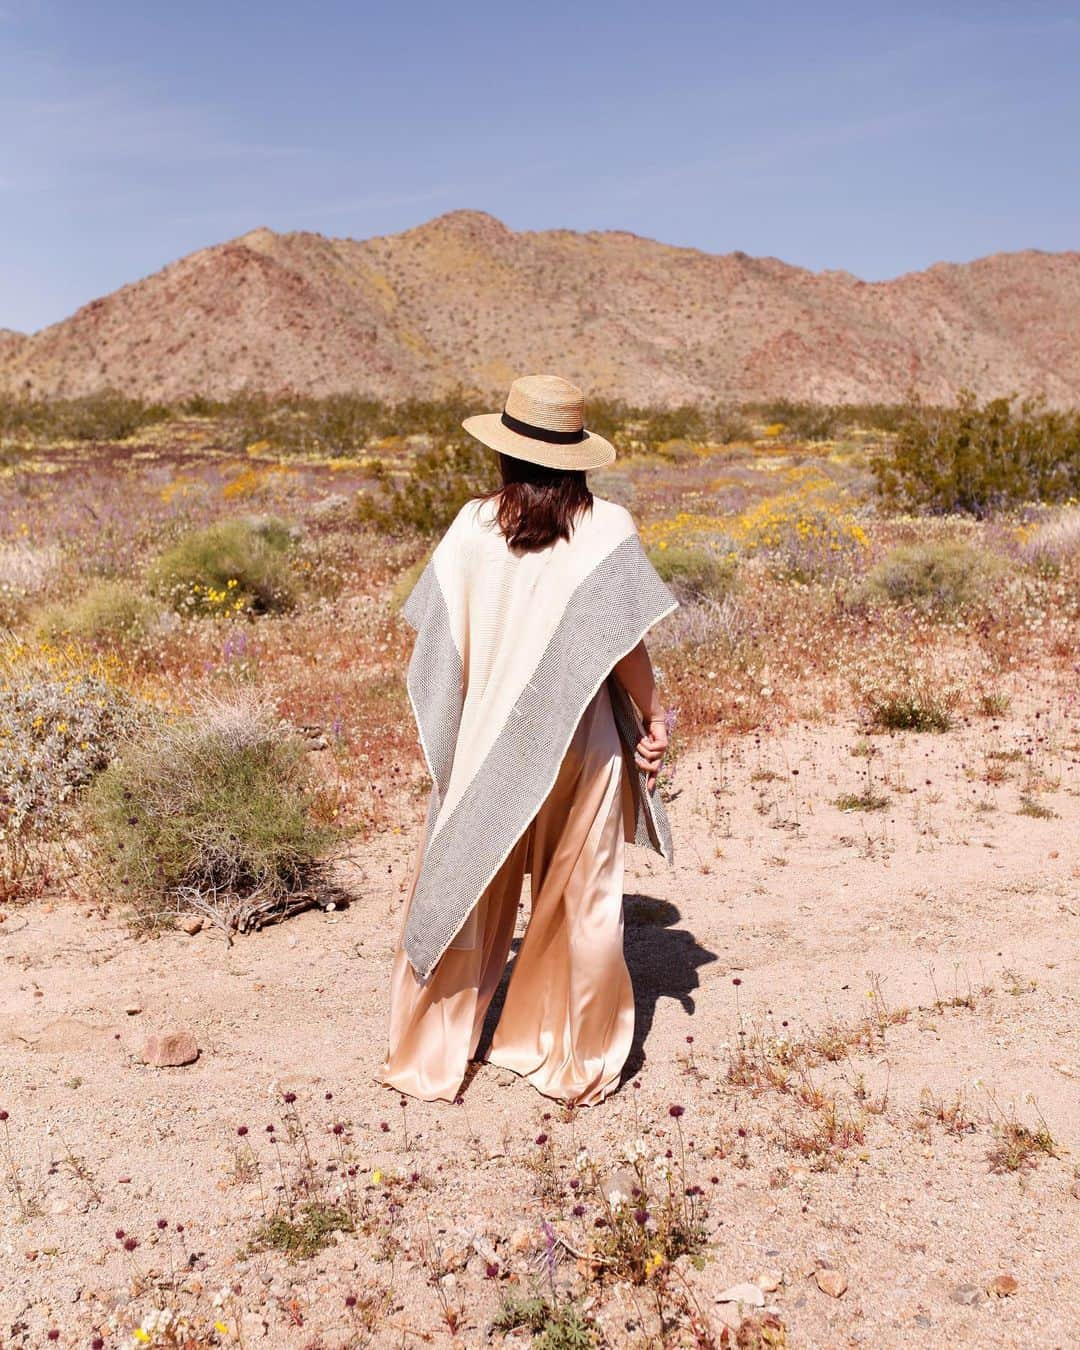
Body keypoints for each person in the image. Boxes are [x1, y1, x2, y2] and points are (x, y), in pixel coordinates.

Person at [379, 374, 678, 1107]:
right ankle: (566, 1057)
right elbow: (626, 647)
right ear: (579, 455)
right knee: (581, 902)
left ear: (506, 453)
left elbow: (440, 645)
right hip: (583, 742)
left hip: (490, 741)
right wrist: (655, 714)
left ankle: (429, 1055)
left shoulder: (472, 526)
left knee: (467, 886)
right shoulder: (609, 527)